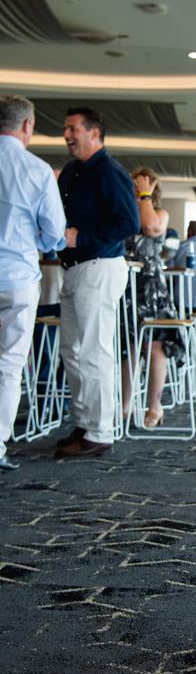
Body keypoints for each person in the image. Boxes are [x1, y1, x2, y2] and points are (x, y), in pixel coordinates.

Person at [55, 107, 140, 458]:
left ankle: (101, 431)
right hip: (76, 268)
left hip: (100, 266)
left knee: (93, 352)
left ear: (94, 133)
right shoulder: (73, 172)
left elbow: (129, 223)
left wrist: (81, 238)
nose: (67, 135)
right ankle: (85, 423)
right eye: (66, 129)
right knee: (72, 352)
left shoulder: (110, 171)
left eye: (73, 128)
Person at [0, 95, 66, 471]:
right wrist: (38, 243)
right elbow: (54, 234)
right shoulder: (38, 170)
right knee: (9, 364)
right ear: (28, 125)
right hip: (17, 278)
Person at [121, 167, 184, 429]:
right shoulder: (123, 211)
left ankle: (154, 407)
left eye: (142, 187)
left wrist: (144, 196)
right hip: (126, 285)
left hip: (152, 288)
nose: (136, 191)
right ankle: (125, 406)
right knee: (129, 348)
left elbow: (150, 227)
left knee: (156, 348)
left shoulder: (160, 212)